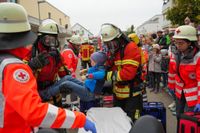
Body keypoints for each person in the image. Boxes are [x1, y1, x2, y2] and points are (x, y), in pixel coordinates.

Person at [0, 2, 96, 133]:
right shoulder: (22, 60)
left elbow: (64, 73)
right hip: (38, 94)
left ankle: (89, 92)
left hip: (50, 93)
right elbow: (30, 103)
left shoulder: (55, 54)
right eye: (47, 40)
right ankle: (89, 96)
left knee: (67, 79)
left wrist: (65, 72)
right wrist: (32, 66)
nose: (50, 43)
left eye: (53, 40)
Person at [100, 23, 143, 122]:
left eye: (112, 43)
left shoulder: (131, 48)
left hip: (132, 96)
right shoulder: (116, 50)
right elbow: (110, 66)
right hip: (118, 94)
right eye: (107, 44)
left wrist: (106, 75)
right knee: (119, 123)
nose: (110, 47)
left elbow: (128, 74)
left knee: (131, 123)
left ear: (119, 39)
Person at [40, 51, 107, 102]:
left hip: (89, 94)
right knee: (67, 78)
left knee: (67, 84)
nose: (90, 61)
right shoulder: (96, 67)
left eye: (92, 61)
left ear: (97, 62)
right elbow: (92, 69)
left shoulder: (102, 71)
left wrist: (88, 76)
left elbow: (101, 74)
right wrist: (86, 70)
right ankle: (48, 89)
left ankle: (45, 95)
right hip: (86, 87)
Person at [168, 25, 200, 119]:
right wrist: (171, 86)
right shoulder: (175, 54)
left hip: (193, 97)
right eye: (176, 43)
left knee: (189, 121)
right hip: (179, 94)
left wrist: (199, 101)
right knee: (179, 117)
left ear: (190, 42)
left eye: (181, 43)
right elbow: (172, 72)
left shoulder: (197, 57)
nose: (178, 46)